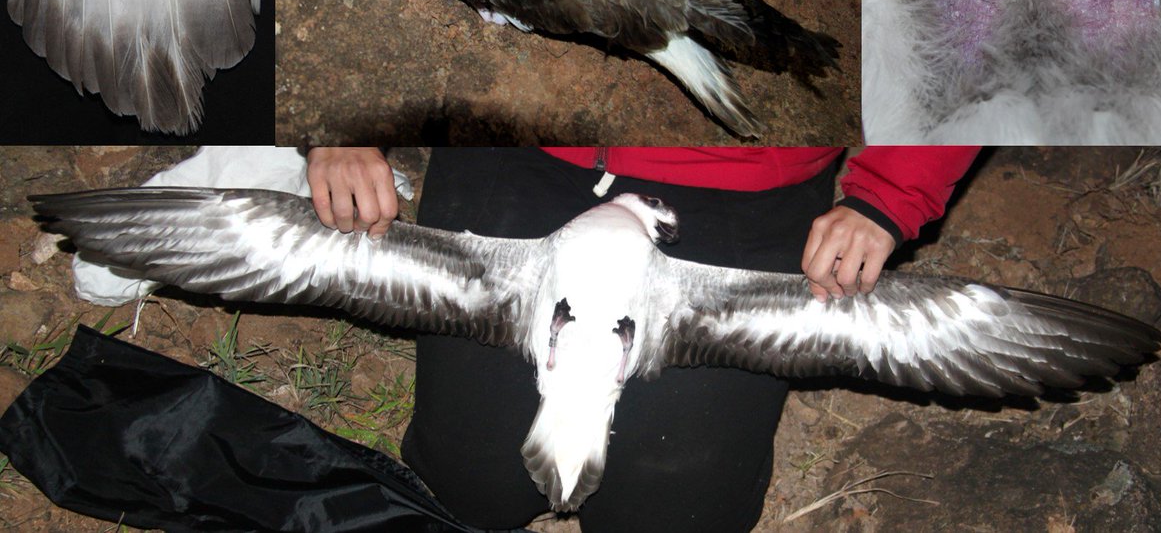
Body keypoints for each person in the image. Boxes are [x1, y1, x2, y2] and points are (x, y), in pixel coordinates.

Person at [306, 145, 979, 531]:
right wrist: (338, 118)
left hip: (738, 180)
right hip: (528, 149)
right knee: (470, 490)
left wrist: (890, 193)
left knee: (669, 522)